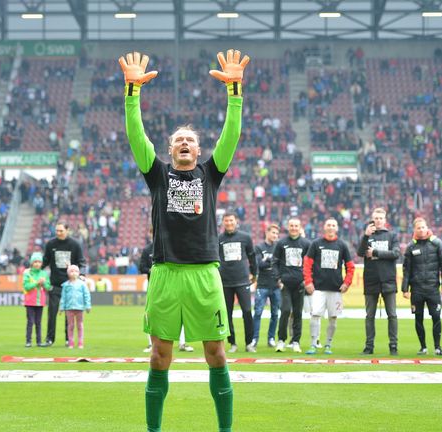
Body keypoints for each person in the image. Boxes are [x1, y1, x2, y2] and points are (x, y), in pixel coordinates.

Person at [121, 48, 248, 432]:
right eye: (178, 139)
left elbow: (232, 134)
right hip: (165, 274)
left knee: (216, 353)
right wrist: (132, 93)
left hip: (205, 274)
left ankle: (225, 429)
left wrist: (234, 92)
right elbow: (135, 135)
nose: (185, 143)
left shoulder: (211, 173)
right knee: (160, 356)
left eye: (190, 139)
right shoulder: (157, 175)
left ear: (198, 149)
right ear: (170, 149)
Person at [302, 218, 354, 355]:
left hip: (335, 289)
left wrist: (347, 282)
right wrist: (308, 281)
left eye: (333, 225)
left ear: (337, 228)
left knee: (333, 317)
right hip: (318, 288)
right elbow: (307, 264)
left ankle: (328, 345)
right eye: (328, 225)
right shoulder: (316, 244)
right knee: (315, 315)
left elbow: (350, 266)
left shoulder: (342, 245)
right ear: (324, 227)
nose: (331, 227)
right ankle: (313, 344)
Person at [401, 218, 442, 356]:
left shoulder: (437, 243)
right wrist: (405, 289)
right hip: (416, 290)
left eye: (423, 227)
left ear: (427, 227)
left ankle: (438, 347)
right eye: (418, 228)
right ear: (414, 230)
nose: (421, 230)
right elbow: (407, 270)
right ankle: (423, 347)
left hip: (433, 289)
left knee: (436, 317)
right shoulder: (411, 247)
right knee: (418, 318)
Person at [140, 233, 194, 353]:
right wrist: (154, 270)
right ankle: (151, 344)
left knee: (181, 311)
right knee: (152, 314)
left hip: (175, 284)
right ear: (149, 234)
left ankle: (183, 343)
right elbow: (142, 267)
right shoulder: (147, 249)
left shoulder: (171, 246)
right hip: (155, 285)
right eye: (153, 232)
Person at [357, 207, 401, 355]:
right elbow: (359, 253)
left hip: (388, 280)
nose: (378, 221)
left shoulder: (392, 236)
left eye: (380, 218)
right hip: (371, 280)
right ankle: (369, 346)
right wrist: (365, 236)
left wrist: (375, 253)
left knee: (392, 315)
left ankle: (393, 346)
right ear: (372, 220)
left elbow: (395, 253)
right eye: (375, 218)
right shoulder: (367, 236)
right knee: (370, 316)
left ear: (385, 220)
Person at [42, 222, 87, 346]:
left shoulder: (75, 244)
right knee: (52, 313)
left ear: (67, 230)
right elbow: (45, 261)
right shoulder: (51, 244)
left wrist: (82, 274)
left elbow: (82, 262)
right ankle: (50, 339)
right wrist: (33, 270)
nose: (58, 233)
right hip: (55, 284)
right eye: (56, 230)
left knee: (70, 315)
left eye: (61, 230)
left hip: (71, 285)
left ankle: (69, 339)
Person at [218, 213, 257, 353]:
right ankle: (232, 342)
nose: (229, 223)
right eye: (226, 220)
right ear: (223, 222)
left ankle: (249, 343)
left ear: (236, 221)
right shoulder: (218, 239)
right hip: (225, 281)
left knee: (247, 311)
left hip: (242, 280)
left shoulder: (245, 237)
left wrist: (255, 273)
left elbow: (252, 256)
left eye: (231, 220)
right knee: (227, 314)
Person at [273, 217, 311, 353]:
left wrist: (307, 280)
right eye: (291, 225)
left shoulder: (306, 244)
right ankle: (281, 340)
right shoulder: (281, 243)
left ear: (300, 227)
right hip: (285, 284)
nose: (294, 228)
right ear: (287, 227)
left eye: (296, 226)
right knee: (285, 311)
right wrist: (278, 279)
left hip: (300, 284)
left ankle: (296, 341)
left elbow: (310, 264)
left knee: (297, 313)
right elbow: (275, 262)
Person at [251, 224, 281, 348]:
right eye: (273, 233)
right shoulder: (259, 247)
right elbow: (259, 265)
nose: (275, 236)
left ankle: (271, 338)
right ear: (267, 232)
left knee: (275, 314)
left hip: (276, 285)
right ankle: (254, 339)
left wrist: (268, 261)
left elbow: (280, 265)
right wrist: (271, 260)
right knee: (258, 312)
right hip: (262, 285)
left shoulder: (279, 247)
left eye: (276, 234)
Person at [22, 252, 51, 347]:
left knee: (38, 322)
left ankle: (39, 341)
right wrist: (37, 283)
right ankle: (28, 341)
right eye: (35, 261)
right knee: (30, 322)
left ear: (42, 263)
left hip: (40, 302)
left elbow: (48, 287)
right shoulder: (27, 273)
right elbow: (26, 286)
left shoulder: (44, 273)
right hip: (30, 301)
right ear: (31, 263)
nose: (37, 264)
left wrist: (43, 284)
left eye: (39, 262)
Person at [59, 265, 92, 349]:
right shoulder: (66, 285)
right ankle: (71, 342)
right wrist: (61, 308)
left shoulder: (82, 284)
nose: (74, 273)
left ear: (78, 273)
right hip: (69, 308)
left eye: (76, 271)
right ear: (68, 273)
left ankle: (80, 342)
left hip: (80, 307)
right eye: (71, 271)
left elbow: (86, 295)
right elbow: (63, 297)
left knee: (80, 325)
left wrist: (87, 305)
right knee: (70, 325)